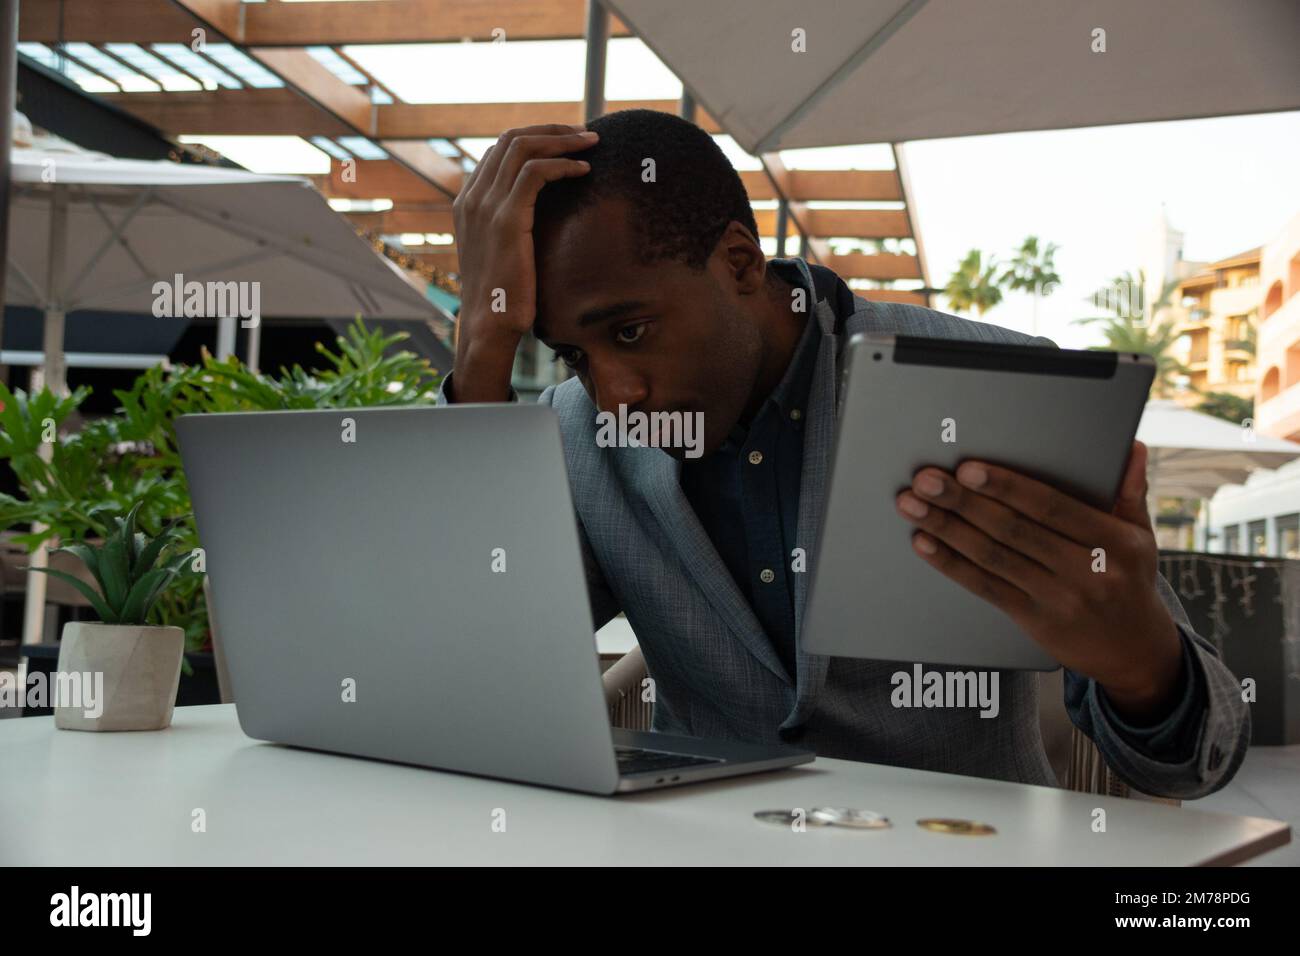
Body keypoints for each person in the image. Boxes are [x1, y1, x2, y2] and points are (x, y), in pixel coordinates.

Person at [441, 108, 1248, 799]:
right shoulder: (578, 437)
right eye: (574, 355)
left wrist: (1146, 669)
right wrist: (480, 356)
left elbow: (1198, 762)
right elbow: (472, 663)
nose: (614, 393)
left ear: (739, 263)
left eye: (629, 332)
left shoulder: (994, 386)